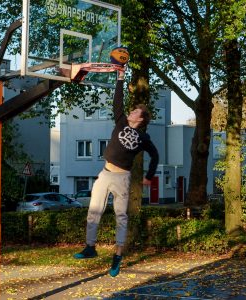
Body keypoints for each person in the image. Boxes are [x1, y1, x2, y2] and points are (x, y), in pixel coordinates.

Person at [74, 59, 159, 278]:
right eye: (130, 111)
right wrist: (119, 76)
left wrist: (149, 176)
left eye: (134, 112)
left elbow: (155, 155)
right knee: (94, 210)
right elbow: (117, 101)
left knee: (121, 216)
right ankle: (90, 247)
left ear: (140, 119)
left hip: (122, 178)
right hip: (105, 174)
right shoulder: (120, 121)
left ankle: (118, 256)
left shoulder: (144, 137)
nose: (130, 112)